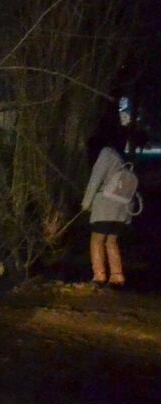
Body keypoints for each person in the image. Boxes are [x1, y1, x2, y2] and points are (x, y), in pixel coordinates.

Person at [81, 114, 138, 287]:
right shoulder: (119, 156)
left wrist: (86, 203)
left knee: (97, 240)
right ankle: (117, 276)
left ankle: (99, 276)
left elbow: (95, 180)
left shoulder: (105, 154)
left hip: (106, 207)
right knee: (112, 241)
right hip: (123, 208)